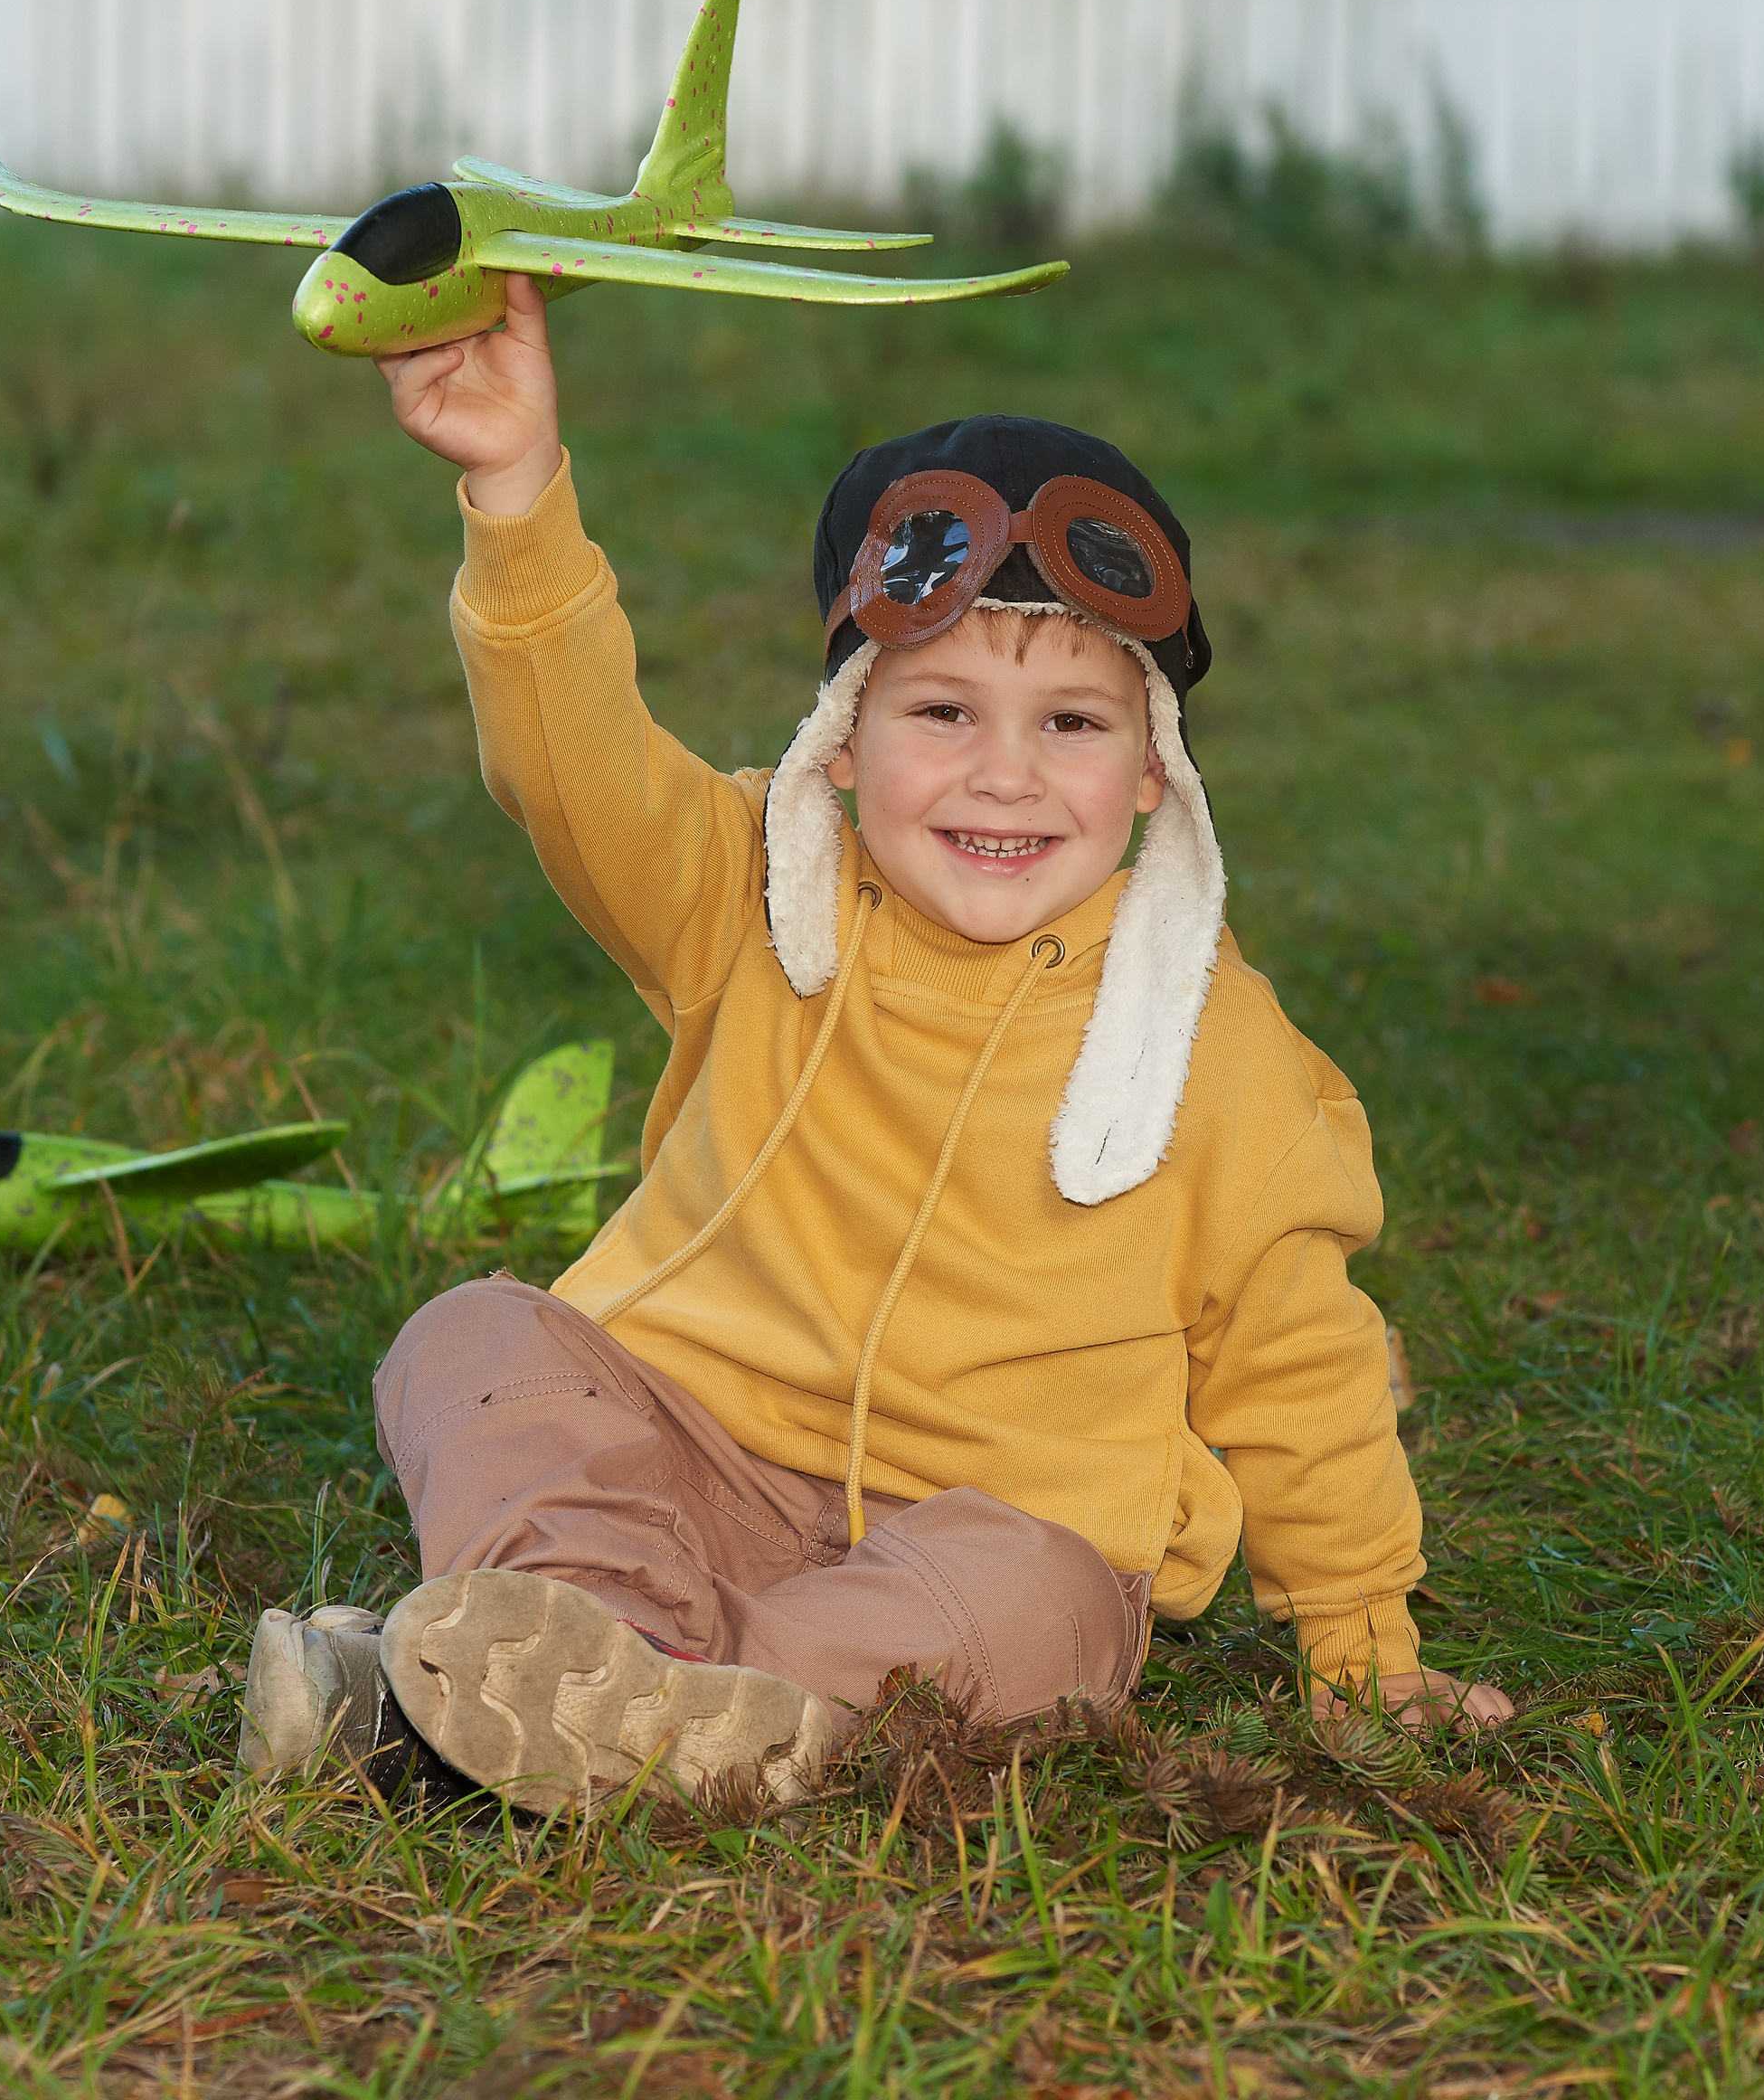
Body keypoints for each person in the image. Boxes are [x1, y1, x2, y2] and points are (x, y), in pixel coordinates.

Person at [237, 276, 1513, 1813]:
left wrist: (1368, 1652)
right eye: (943, 713)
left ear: (1154, 774)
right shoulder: (748, 897)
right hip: (687, 1453)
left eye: (1073, 724)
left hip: (979, 1539)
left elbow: (1299, 1367)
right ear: (842, 742)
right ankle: (606, 1658)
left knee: (1040, 1607)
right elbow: (570, 766)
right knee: (473, 1341)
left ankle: (503, 1707)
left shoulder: (1216, 1042)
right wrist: (514, 488)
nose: (1005, 776)